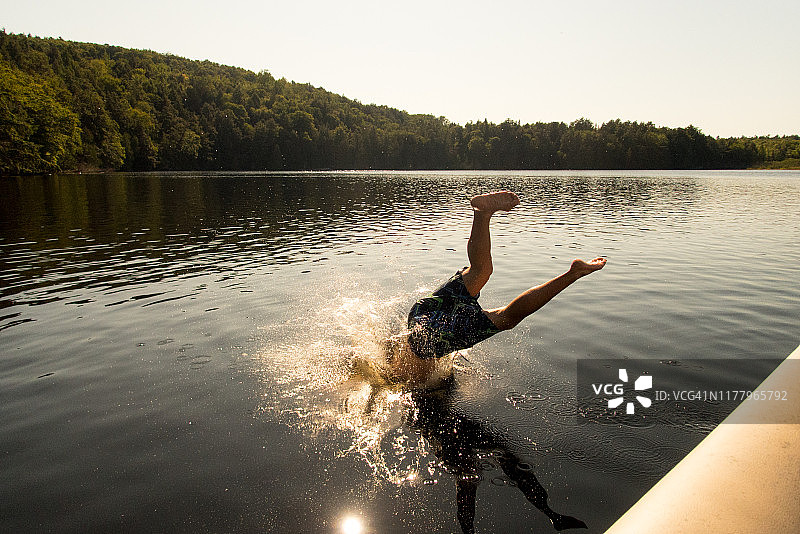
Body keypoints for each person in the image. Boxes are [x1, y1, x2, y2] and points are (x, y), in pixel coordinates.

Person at [386, 191, 606, 384]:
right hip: (420, 312)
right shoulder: (395, 347)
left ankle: (573, 273)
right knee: (480, 271)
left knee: (507, 317)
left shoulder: (400, 376)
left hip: (431, 339)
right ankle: (481, 213)